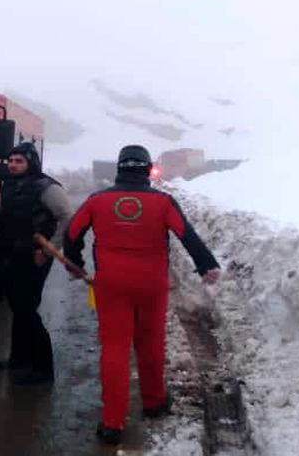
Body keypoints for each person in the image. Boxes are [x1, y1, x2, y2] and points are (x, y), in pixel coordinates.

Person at [64, 145, 222, 445]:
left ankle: (112, 422)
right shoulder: (163, 202)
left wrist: (76, 263)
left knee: (115, 349)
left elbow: (72, 233)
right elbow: (186, 234)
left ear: (119, 169)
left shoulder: (98, 200)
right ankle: (153, 402)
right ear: (148, 169)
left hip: (111, 286)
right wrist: (206, 265)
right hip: (152, 285)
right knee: (150, 344)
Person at [0, 141, 73, 385]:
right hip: (13, 252)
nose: (13, 165)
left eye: (19, 161)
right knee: (17, 307)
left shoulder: (46, 188)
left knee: (27, 307)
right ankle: (19, 358)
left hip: (36, 255)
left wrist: (48, 250)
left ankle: (42, 368)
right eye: (11, 161)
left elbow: (67, 218)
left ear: (31, 162)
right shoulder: (9, 185)